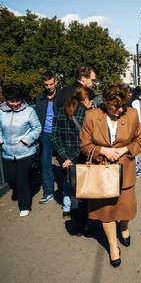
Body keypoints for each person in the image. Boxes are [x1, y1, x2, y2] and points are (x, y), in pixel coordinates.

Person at [80, 83, 141, 267]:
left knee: (125, 208)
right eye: (115, 107)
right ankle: (113, 246)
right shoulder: (91, 116)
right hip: (102, 171)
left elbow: (140, 140)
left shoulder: (131, 114)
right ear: (106, 102)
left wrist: (126, 149)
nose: (119, 110)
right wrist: (102, 150)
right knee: (106, 211)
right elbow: (84, 145)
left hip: (125, 171)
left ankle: (123, 228)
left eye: (122, 106)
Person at [52, 86, 95, 226]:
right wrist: (74, 157)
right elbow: (89, 140)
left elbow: (55, 137)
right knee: (85, 192)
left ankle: (76, 222)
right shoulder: (88, 114)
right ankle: (85, 223)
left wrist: (65, 157)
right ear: (85, 99)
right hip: (82, 157)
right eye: (91, 100)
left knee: (73, 189)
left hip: (66, 159)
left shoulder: (60, 112)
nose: (93, 103)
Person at [0, 84, 42, 217]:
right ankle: (27, 183)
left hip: (25, 151)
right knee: (10, 177)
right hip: (7, 151)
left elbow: (37, 128)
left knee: (22, 177)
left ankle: (24, 205)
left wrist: (26, 140)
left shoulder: (29, 111)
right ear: (6, 100)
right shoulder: (1, 111)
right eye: (12, 101)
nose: (15, 104)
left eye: (17, 100)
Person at [35, 71, 61, 204]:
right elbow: (37, 117)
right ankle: (48, 192)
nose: (49, 87)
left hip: (60, 134)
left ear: (55, 82)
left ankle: (66, 191)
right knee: (45, 164)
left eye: (51, 84)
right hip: (45, 134)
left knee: (64, 163)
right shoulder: (40, 98)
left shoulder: (62, 96)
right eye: (46, 85)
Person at [129, 87, 141, 174]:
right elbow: (139, 116)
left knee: (133, 147)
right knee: (136, 147)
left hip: (131, 127)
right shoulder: (136, 102)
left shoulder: (131, 101)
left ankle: (133, 167)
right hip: (136, 129)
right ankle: (135, 169)